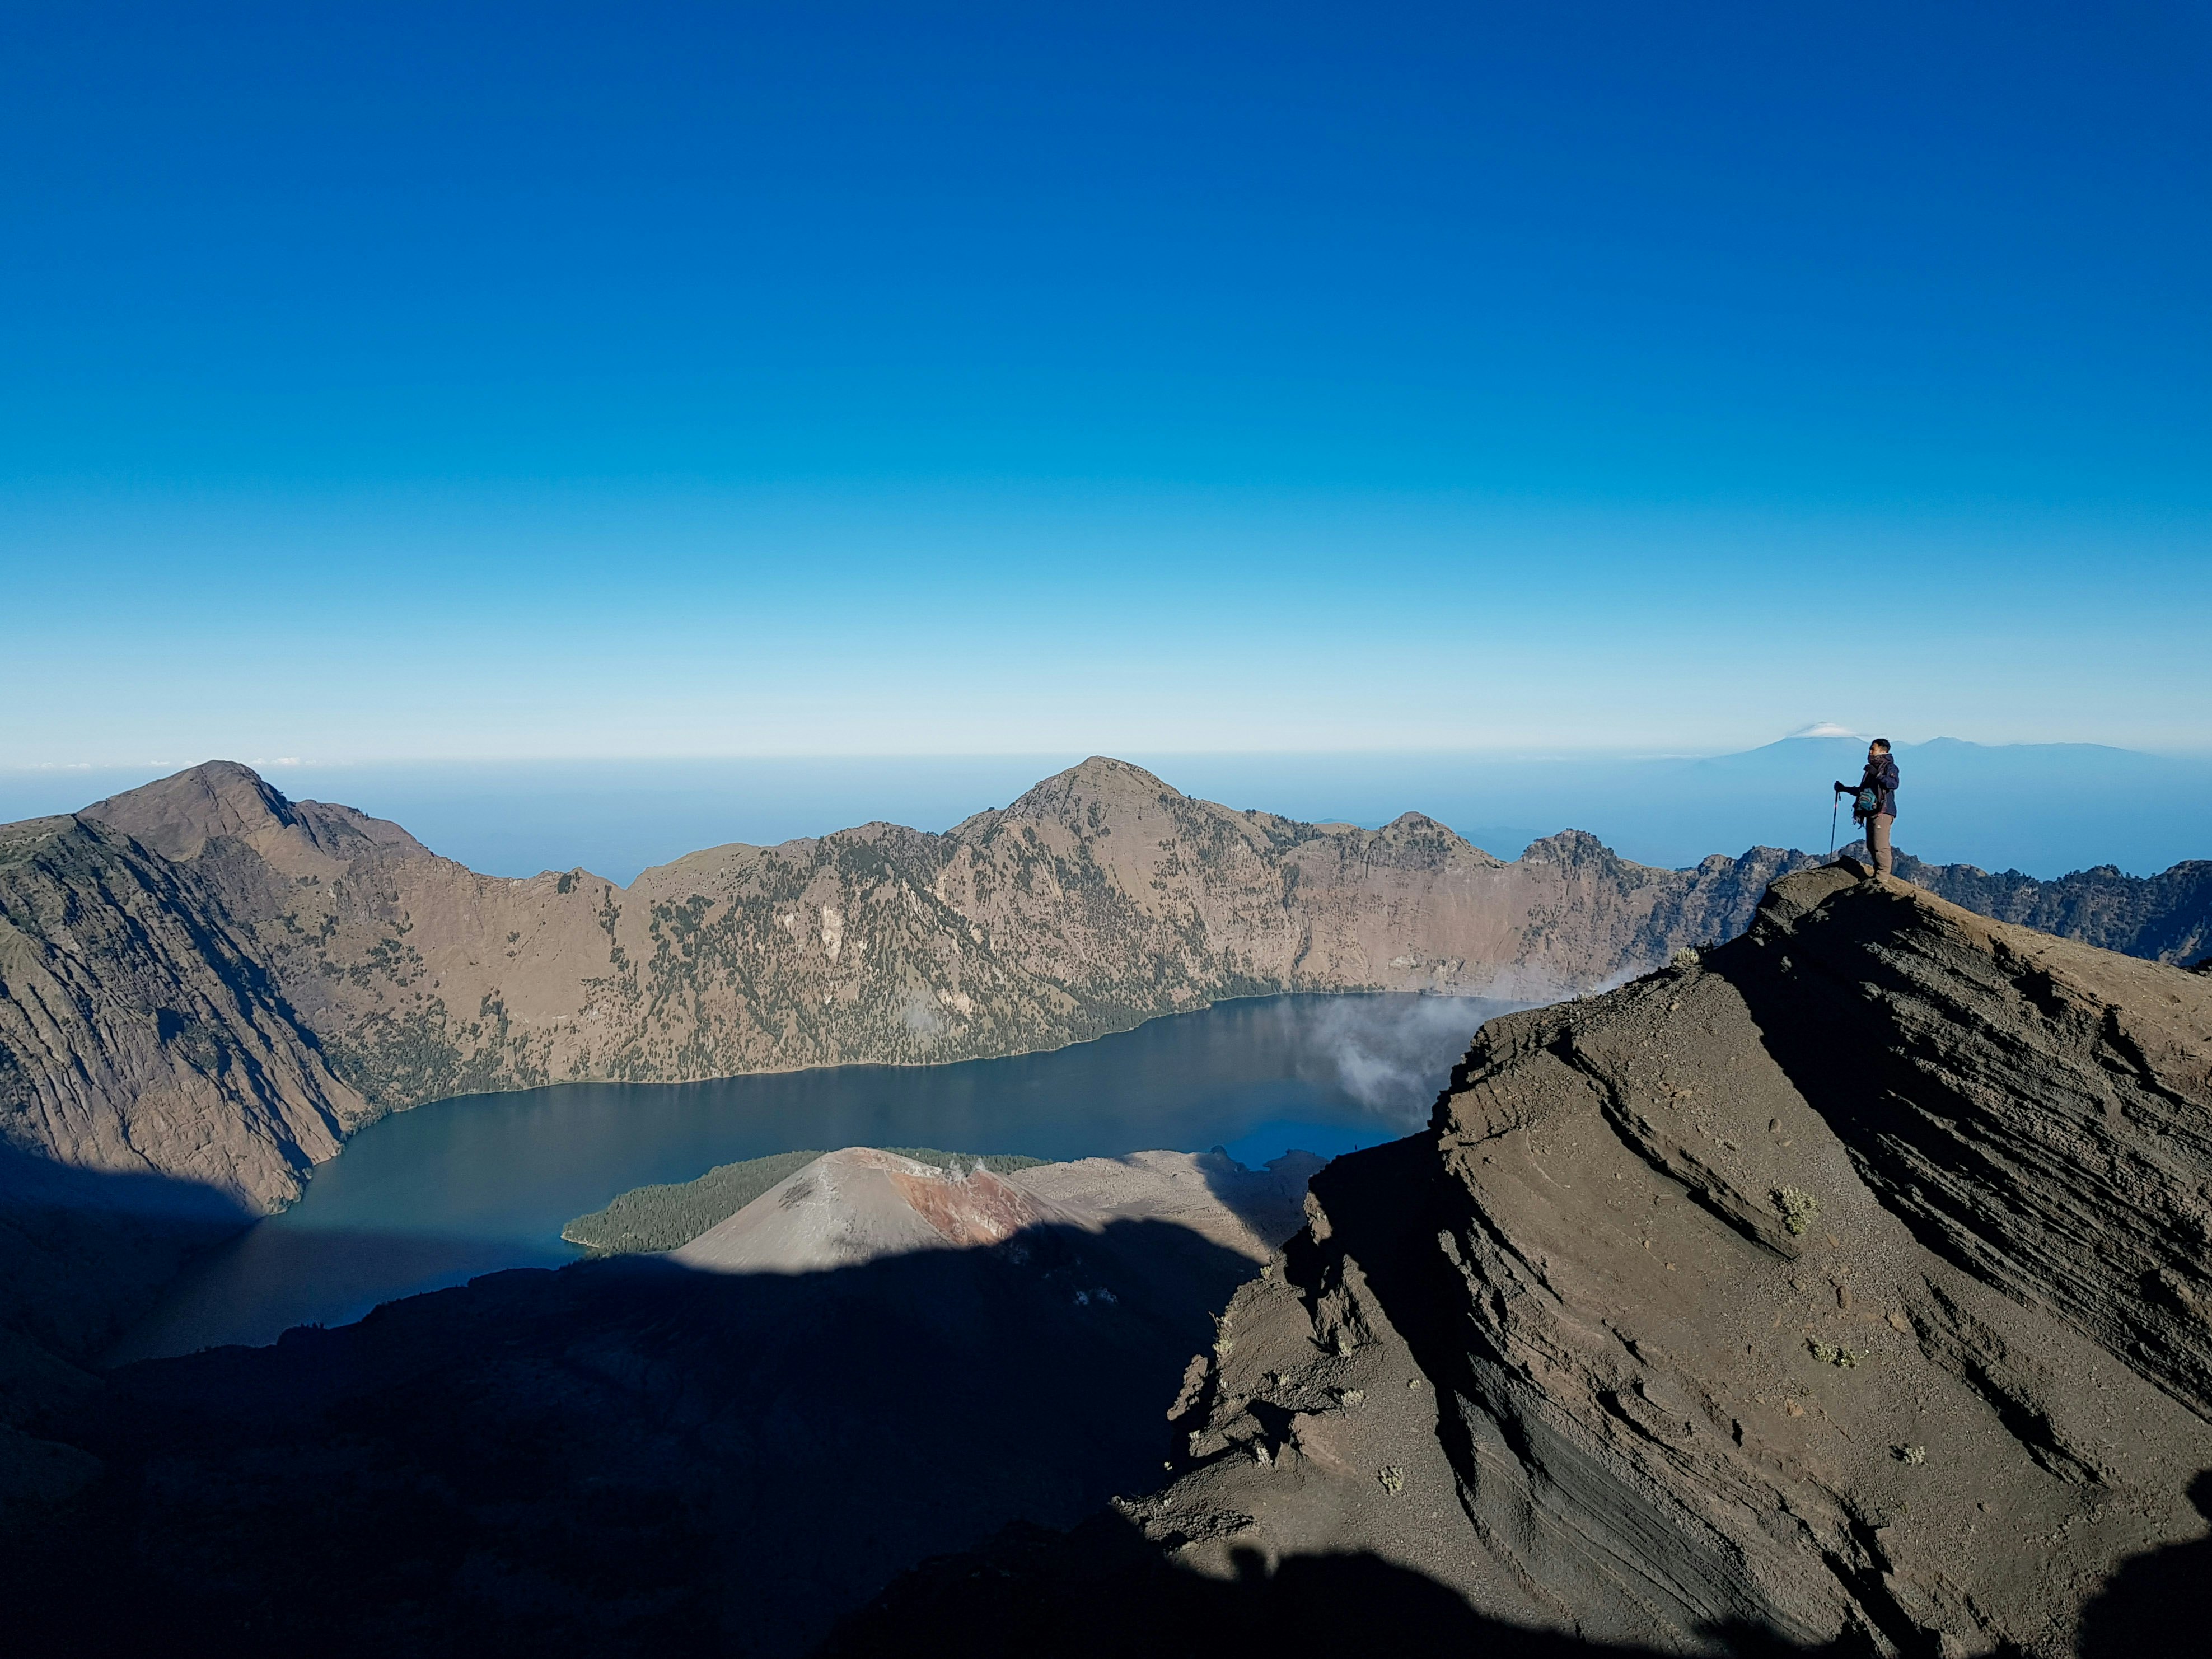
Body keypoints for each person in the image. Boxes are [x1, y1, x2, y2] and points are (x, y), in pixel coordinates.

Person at [1835, 739, 1900, 877]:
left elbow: (1893, 784)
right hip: (1872, 812)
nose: (1870, 752)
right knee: (1872, 845)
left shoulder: (1889, 767)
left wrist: (1878, 774)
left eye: (1873, 749)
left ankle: (1882, 878)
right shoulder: (1872, 769)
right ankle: (1878, 875)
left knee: (1880, 846)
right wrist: (1844, 789)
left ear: (1883, 751)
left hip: (1883, 812)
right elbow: (1864, 792)